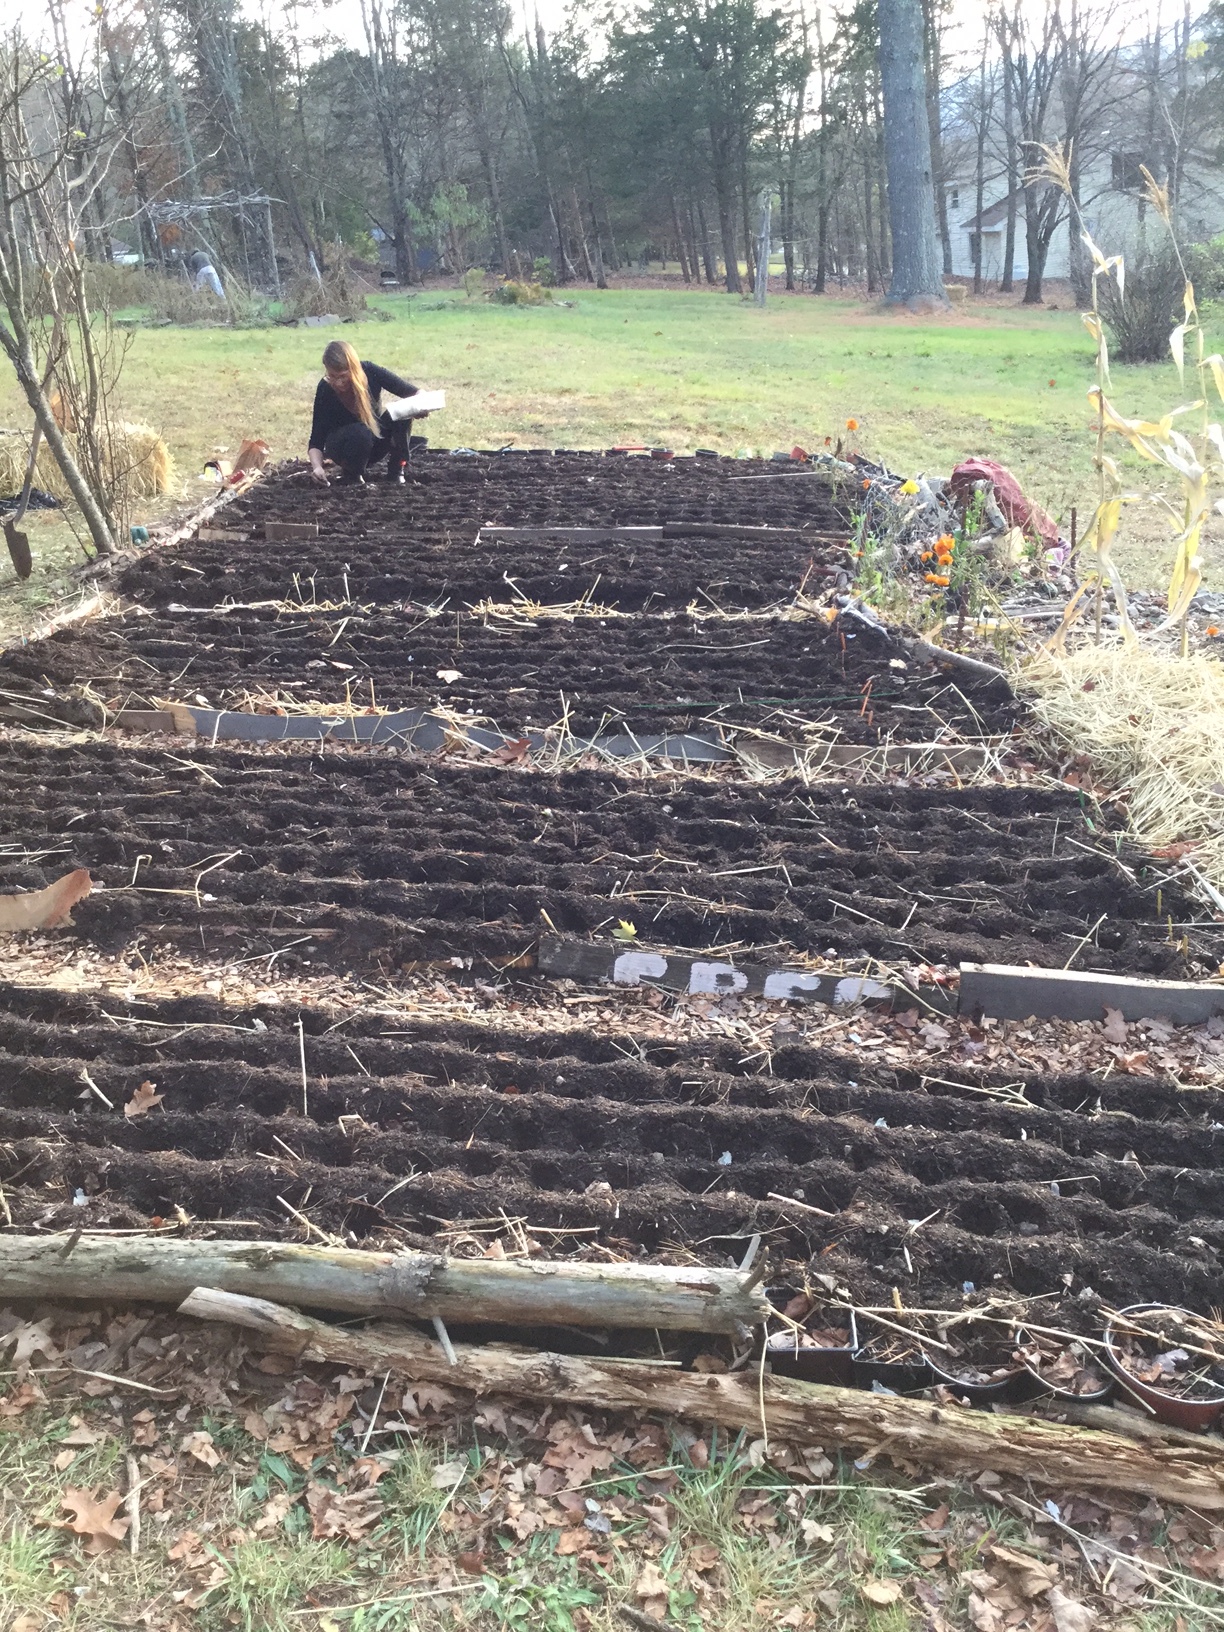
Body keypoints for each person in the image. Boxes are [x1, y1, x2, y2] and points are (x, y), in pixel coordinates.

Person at [308, 340, 425, 487]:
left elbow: (413, 392)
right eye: (333, 376)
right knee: (360, 431)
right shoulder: (325, 388)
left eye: (343, 376)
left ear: (354, 369)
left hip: (373, 442)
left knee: (402, 412)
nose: (338, 382)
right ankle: (353, 476)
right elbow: (316, 438)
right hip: (344, 448)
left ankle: (397, 471)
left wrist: (421, 405)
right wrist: (317, 468)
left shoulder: (370, 371)